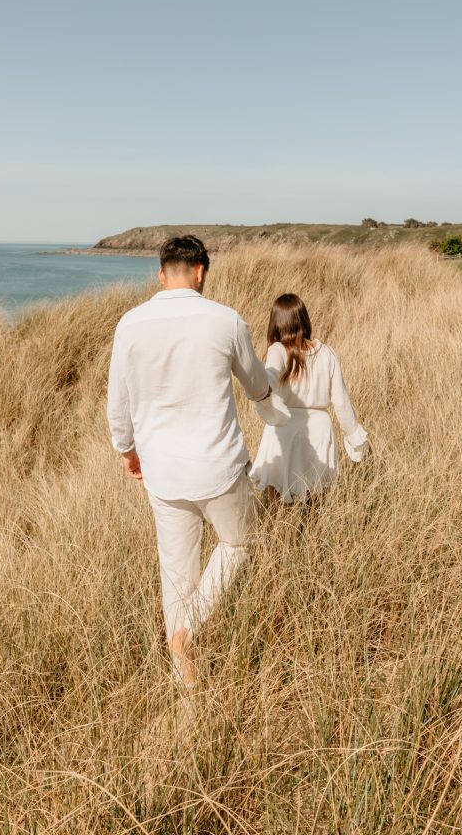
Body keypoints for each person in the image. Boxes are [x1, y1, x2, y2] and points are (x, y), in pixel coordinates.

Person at [107, 234, 275, 689]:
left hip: (163, 473)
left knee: (176, 574)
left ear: (161, 275)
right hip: (218, 467)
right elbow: (257, 384)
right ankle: (192, 631)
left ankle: (188, 688)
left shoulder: (130, 323)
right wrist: (267, 396)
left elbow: (117, 405)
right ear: (200, 271)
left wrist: (128, 451)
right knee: (241, 544)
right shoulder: (225, 320)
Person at [252, 293, 369, 504]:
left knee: (279, 505)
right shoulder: (327, 353)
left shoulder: (278, 350)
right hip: (319, 429)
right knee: (315, 503)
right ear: (304, 319)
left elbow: (267, 379)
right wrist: (355, 437)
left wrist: (264, 400)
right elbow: (341, 402)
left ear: (276, 323)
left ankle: (284, 538)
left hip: (284, 427)